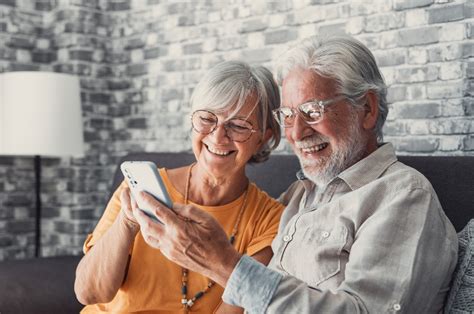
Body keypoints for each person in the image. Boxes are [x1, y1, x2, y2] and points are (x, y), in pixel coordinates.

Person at [131, 36, 459, 313]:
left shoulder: (402, 195)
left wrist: (223, 263)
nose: (297, 133)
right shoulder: (300, 195)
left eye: (312, 112)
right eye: (287, 115)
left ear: (367, 109)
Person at [74, 60, 285, 313]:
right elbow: (88, 292)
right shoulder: (140, 189)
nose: (217, 137)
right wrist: (127, 222)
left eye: (238, 126)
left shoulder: (270, 220)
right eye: (207, 119)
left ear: (265, 137)